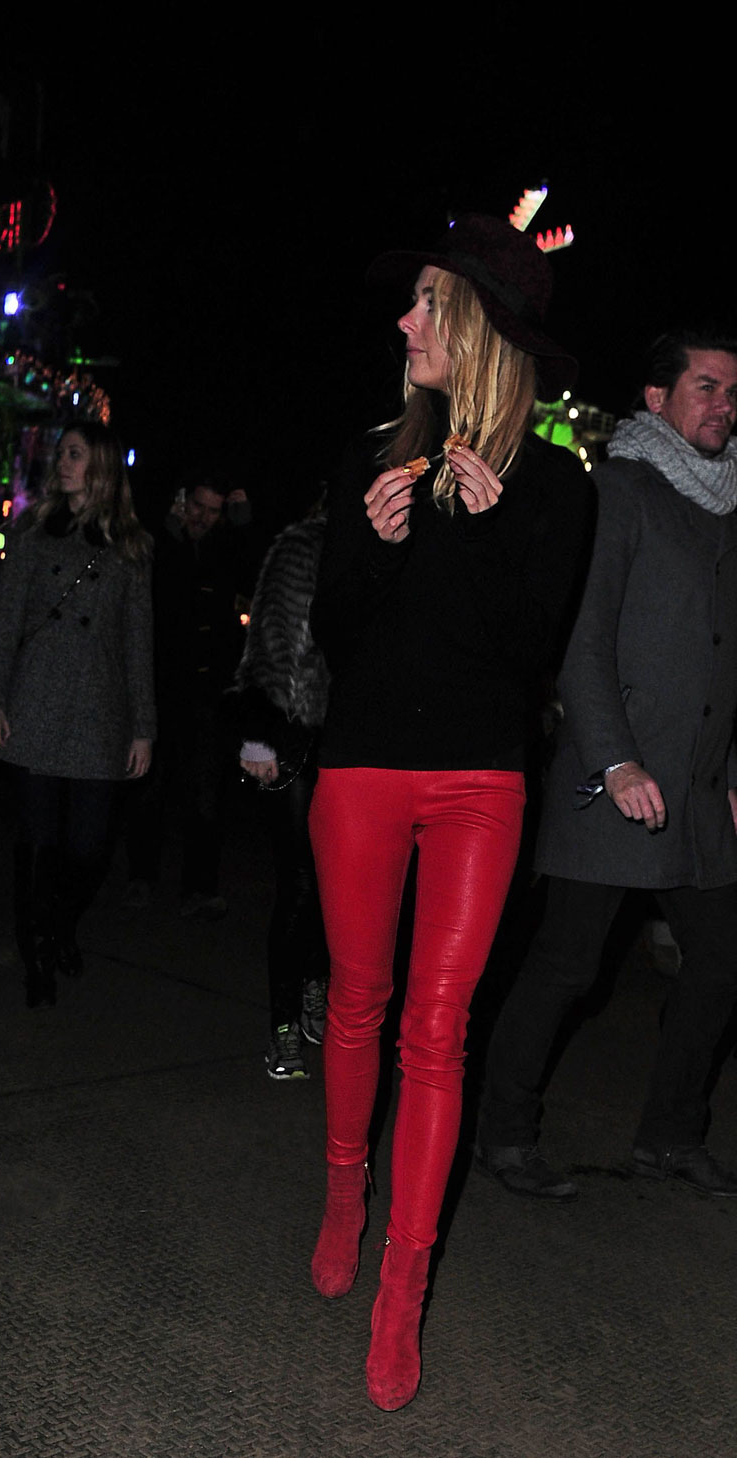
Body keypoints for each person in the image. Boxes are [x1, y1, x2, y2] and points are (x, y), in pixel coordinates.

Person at [306, 215, 593, 1411]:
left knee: (438, 1027)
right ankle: (341, 1191)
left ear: (478, 327)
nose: (406, 322)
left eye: (429, 303)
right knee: (359, 1001)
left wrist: (475, 541)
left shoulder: (559, 483)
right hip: (364, 769)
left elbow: (528, 655)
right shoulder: (375, 452)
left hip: (481, 780)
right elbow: (332, 631)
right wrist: (376, 549)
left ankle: (403, 1291)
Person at [477, 330, 737, 1202]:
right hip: (613, 780)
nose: (725, 406)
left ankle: (668, 1137)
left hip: (698, 789)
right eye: (706, 387)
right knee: (568, 966)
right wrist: (617, 759)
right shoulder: (619, 488)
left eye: (734, 393)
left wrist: (732, 771)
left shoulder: (730, 504)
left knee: (721, 960)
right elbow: (581, 640)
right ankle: (503, 1132)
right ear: (658, 399)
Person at [0, 421, 155, 1007]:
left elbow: (139, 646)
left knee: (88, 847)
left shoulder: (131, 549)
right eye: (61, 455)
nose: (62, 464)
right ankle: (35, 951)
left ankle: (60, 924)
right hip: (35, 702)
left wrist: (142, 729)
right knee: (37, 841)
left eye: (75, 455)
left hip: (98, 714)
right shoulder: (32, 533)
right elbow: (4, 624)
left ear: (101, 466)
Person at [231, 501, 330, 1080]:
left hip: (352, 744)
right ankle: (284, 1026)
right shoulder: (301, 547)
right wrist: (260, 737)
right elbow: (267, 645)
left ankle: (317, 986)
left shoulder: (394, 546)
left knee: (335, 885)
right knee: (298, 885)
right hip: (293, 734)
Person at [126, 478, 254, 915]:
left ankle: (198, 887)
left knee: (205, 790)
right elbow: (154, 594)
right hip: (161, 685)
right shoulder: (160, 541)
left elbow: (252, 576)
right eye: (197, 506)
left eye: (213, 511)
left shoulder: (225, 547)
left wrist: (240, 526)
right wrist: (172, 535)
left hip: (209, 691)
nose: (202, 517)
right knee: (150, 786)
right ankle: (140, 877)